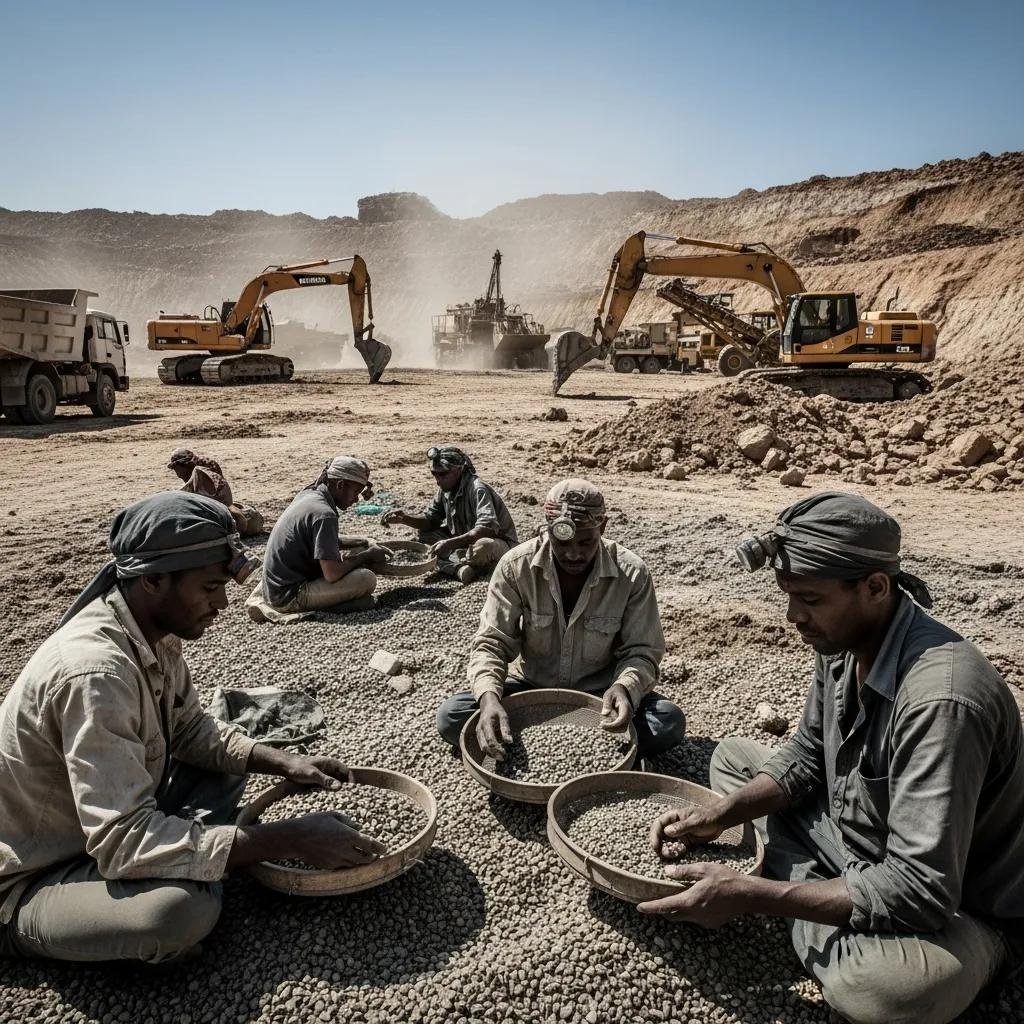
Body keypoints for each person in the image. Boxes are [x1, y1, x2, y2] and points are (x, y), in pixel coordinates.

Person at [640, 491, 1024, 1024]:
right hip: (861, 837)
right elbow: (805, 755)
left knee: (885, 992)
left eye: (811, 599)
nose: (794, 616)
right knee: (731, 761)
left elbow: (921, 888)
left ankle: (797, 881)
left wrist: (757, 896)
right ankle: (817, 887)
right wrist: (719, 815)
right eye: (788, 595)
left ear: (874, 587)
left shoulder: (942, 701)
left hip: (959, 902)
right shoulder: (845, 640)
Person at [0, 492, 385, 965]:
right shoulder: (96, 674)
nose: (222, 604)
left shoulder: (148, 630)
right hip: (42, 867)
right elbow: (120, 841)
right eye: (208, 589)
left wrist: (285, 761)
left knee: (238, 758)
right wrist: (289, 839)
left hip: (114, 814)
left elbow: (188, 730)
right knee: (178, 913)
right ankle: (27, 931)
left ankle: (198, 850)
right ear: (154, 580)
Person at [437, 478, 685, 757]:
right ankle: (601, 747)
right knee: (452, 716)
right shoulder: (516, 566)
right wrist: (489, 699)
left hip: (600, 695)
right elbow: (491, 643)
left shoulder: (632, 573)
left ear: (602, 528)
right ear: (547, 530)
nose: (574, 553)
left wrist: (624, 689)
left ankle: (589, 741)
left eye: (586, 541)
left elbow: (642, 650)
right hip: (531, 690)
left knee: (666, 721)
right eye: (562, 541)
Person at [245, 456, 391, 624]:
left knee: (360, 550)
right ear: (340, 485)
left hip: (275, 585)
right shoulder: (325, 514)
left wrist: (363, 541)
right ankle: (320, 609)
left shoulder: (310, 493)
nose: (356, 499)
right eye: (356, 493)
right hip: (289, 595)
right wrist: (367, 556)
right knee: (366, 579)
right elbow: (332, 574)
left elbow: (321, 541)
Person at [381, 445, 517, 584]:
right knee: (425, 536)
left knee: (482, 548)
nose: (438, 480)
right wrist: (405, 518)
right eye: (435, 474)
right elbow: (431, 520)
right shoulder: (446, 490)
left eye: (443, 474)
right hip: (463, 541)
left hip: (498, 544)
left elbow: (485, 529)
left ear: (459, 470)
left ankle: (464, 565)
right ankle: (459, 568)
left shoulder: (477, 489)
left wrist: (450, 543)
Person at [167, 448, 263, 537]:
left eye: (176, 469)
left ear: (182, 465)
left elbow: (219, 504)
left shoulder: (200, 475)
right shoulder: (202, 472)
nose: (177, 474)